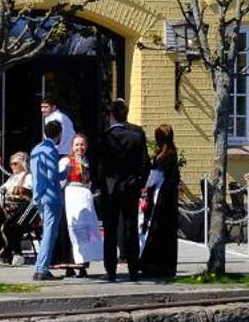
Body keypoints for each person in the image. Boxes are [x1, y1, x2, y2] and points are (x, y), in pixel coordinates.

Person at [95, 99, 150, 282]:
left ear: (111, 116)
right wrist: (138, 180)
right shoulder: (136, 135)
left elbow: (100, 166)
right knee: (130, 227)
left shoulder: (105, 138)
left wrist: (100, 184)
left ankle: (110, 270)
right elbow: (144, 164)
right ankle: (133, 268)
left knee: (109, 230)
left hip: (110, 188)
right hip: (130, 186)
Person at [140, 124, 181, 281]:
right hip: (166, 198)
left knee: (157, 231)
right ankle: (164, 265)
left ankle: (154, 264)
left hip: (161, 198)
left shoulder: (165, 156)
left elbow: (163, 177)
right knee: (164, 233)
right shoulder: (171, 154)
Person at [61, 135, 103, 275]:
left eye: (82, 145)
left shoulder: (88, 162)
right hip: (72, 196)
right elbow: (60, 181)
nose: (80, 148)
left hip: (85, 197)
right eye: (77, 145)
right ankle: (70, 265)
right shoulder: (67, 161)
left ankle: (83, 264)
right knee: (73, 229)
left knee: (86, 231)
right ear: (72, 147)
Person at [28, 131, 65, 281]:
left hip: (38, 195)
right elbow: (52, 176)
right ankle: (42, 269)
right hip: (51, 197)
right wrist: (66, 173)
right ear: (59, 134)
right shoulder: (51, 150)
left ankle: (40, 267)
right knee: (50, 233)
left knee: (46, 232)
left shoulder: (36, 149)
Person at [0, 152, 34, 264]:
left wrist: (14, 191)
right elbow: (1, 189)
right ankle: (3, 253)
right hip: (11, 208)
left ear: (22, 164)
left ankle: (17, 253)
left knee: (13, 226)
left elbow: (26, 192)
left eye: (15, 164)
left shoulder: (28, 177)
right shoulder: (12, 178)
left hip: (25, 209)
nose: (12, 166)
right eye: (11, 164)